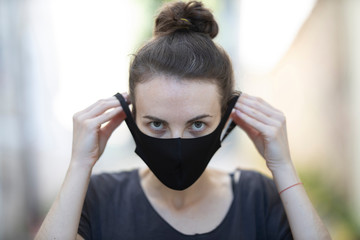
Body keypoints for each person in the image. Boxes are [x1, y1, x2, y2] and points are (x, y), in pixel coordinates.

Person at [35, 1, 331, 239]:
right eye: (157, 124)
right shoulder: (100, 198)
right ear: (131, 115)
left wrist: (283, 167)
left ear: (228, 117)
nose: (177, 143)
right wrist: (79, 165)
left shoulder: (258, 197)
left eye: (197, 124)